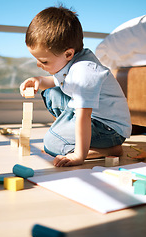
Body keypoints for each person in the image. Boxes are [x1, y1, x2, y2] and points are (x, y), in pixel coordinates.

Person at [20, 6, 131, 167]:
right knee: (50, 93)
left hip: (109, 128)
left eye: (44, 61)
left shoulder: (84, 72)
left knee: (51, 144)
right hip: (93, 116)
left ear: (68, 54)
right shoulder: (70, 60)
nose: (39, 65)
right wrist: (38, 80)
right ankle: (67, 139)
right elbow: (56, 82)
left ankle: (109, 149)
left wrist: (79, 155)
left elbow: (83, 116)